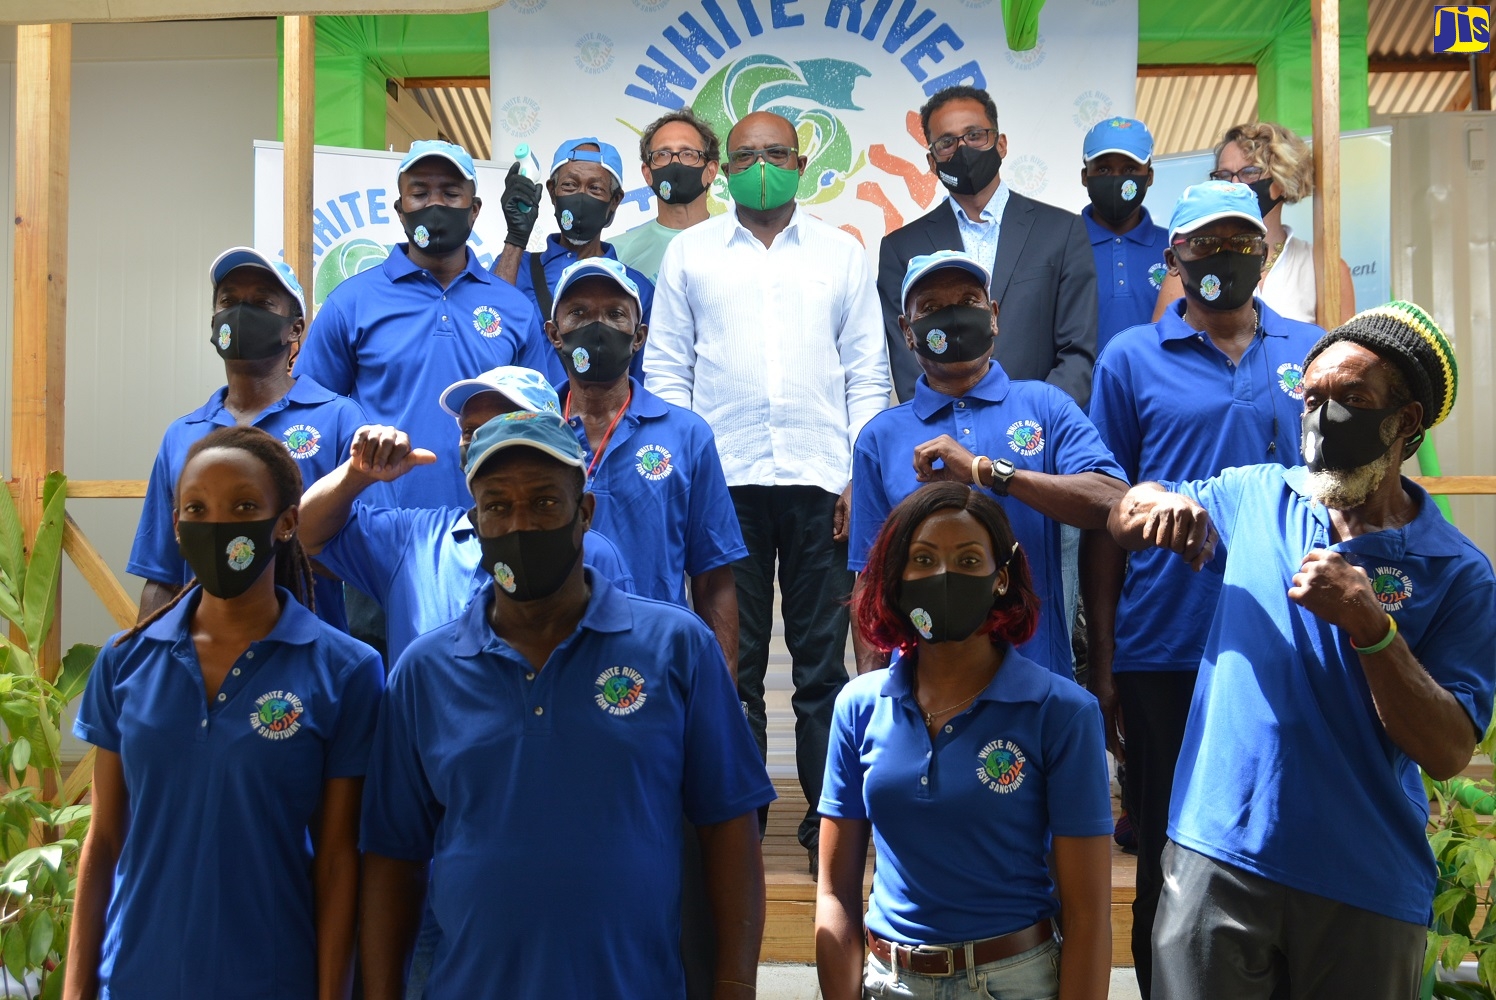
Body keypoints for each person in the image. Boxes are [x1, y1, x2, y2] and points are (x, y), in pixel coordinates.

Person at [1108, 302, 1494, 998]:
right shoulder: (1255, 496)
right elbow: (1125, 514)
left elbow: (1447, 750)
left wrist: (1371, 627)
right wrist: (1151, 503)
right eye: (1311, 399)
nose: (1321, 418)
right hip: (1216, 862)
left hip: (1363, 884)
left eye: (1352, 400)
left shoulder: (1459, 571)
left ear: (1407, 422)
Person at [359, 410, 776, 1000]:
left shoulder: (676, 648)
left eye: (544, 502)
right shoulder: (423, 673)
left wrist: (734, 985)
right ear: (476, 521)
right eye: (497, 506)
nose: (519, 524)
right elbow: (391, 862)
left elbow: (729, 830)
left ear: (585, 513)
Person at [1083, 181, 1325, 998]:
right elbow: (1108, 517)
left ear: (1263, 252)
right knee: (1165, 848)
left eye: (1239, 242)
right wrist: (1105, 661)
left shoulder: (1313, 351)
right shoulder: (1129, 359)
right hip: (1165, 647)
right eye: (1204, 244)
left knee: (1287, 832)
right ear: (1174, 257)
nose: (1222, 258)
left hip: (1287, 641)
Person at [645, 109, 891, 876]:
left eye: (775, 153)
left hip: (823, 482)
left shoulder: (842, 254)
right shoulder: (689, 254)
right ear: (724, 167)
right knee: (732, 664)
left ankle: (828, 815)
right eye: (746, 154)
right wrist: (684, 477)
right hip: (725, 484)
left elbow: (868, 372)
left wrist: (862, 471)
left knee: (823, 668)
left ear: (801, 161)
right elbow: (666, 373)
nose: (761, 165)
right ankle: (740, 813)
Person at [67, 426, 384, 1000]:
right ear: (177, 527)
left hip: (271, 978)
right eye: (197, 508)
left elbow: (339, 860)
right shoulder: (123, 663)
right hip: (137, 977)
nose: (219, 526)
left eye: (243, 506)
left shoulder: (346, 670)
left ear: (285, 523)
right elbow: (106, 839)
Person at [817, 482, 1112, 1000]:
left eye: (968, 558)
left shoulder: (1062, 713)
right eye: (922, 558)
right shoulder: (859, 707)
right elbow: (835, 894)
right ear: (896, 578)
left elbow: (1088, 916)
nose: (943, 575)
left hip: (1015, 981)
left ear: (1001, 578)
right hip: (890, 982)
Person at [851, 250, 1127, 678]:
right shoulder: (879, 438)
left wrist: (986, 471)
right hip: (923, 693)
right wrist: (871, 695)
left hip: (1039, 682)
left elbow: (1112, 500)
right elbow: (869, 583)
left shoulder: (1046, 406)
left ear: (993, 315)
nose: (955, 318)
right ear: (907, 332)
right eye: (932, 309)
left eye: (968, 302)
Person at [299, 366, 633, 668]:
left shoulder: (593, 551)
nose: (482, 442)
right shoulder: (416, 539)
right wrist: (358, 473)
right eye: (470, 430)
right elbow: (306, 533)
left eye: (502, 424)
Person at [295, 139, 558, 511]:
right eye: (419, 193)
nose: (434, 205)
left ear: (474, 210)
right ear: (400, 211)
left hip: (491, 523)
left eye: (451, 193)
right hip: (379, 528)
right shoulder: (350, 302)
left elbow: (536, 420)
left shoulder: (514, 307)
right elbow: (312, 419)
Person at [128, 246, 370, 631]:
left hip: (308, 659)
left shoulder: (340, 419)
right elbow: (162, 573)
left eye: (261, 302)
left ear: (295, 329)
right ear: (214, 322)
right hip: (202, 660)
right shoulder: (182, 435)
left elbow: (366, 555)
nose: (241, 313)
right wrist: (141, 669)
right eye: (229, 301)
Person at [544, 256, 744, 658]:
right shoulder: (531, 431)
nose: (596, 327)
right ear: (554, 334)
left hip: (657, 663)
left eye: (615, 314)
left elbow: (712, 580)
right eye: (578, 313)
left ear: (639, 337)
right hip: (552, 661)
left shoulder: (688, 436)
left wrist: (720, 696)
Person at [877, 85, 1098, 407]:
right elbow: (908, 361)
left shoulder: (1061, 231)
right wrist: (949, 437)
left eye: (975, 135)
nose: (963, 148)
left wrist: (1039, 424)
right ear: (932, 160)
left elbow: (1078, 351)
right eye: (947, 142)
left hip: (1040, 437)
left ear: (1001, 143)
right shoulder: (901, 248)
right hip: (946, 442)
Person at [1153, 121, 1355, 326]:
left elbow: (1337, 353)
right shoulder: (1191, 260)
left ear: (1283, 180)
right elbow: (1159, 348)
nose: (1234, 184)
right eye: (1223, 176)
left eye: (1249, 172)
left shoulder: (1322, 267)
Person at [494, 136, 655, 338]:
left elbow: (643, 368)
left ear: (614, 201)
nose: (581, 196)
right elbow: (489, 330)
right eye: (570, 185)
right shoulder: (516, 266)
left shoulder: (636, 288)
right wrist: (515, 238)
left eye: (595, 188)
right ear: (552, 192)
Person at [1080, 116, 1170, 357]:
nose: (1116, 179)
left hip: (1155, 392)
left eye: (1130, 169)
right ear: (1084, 177)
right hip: (1077, 394)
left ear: (1149, 176)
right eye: (1103, 169)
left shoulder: (1176, 249)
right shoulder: (1063, 244)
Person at [609, 108, 722, 282]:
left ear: (711, 171)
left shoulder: (739, 244)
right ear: (647, 173)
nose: (675, 162)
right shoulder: (615, 255)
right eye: (662, 154)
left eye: (688, 154)